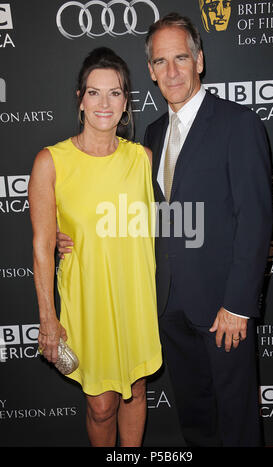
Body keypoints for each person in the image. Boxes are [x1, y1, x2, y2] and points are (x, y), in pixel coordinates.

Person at [57, 14, 273, 447]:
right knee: (196, 420)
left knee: (236, 422)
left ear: (199, 61)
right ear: (151, 73)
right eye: (160, 61)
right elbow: (133, 214)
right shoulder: (149, 138)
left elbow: (257, 219)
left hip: (223, 312)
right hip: (167, 309)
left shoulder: (238, 123)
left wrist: (238, 305)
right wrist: (75, 237)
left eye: (180, 58)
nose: (171, 70)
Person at [29, 47, 162, 448]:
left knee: (136, 391)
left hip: (135, 299)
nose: (104, 103)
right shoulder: (51, 161)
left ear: (126, 103)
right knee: (101, 406)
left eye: (115, 93)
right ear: (80, 98)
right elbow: (41, 248)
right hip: (87, 302)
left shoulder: (142, 159)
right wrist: (48, 320)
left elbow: (173, 221)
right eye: (94, 93)